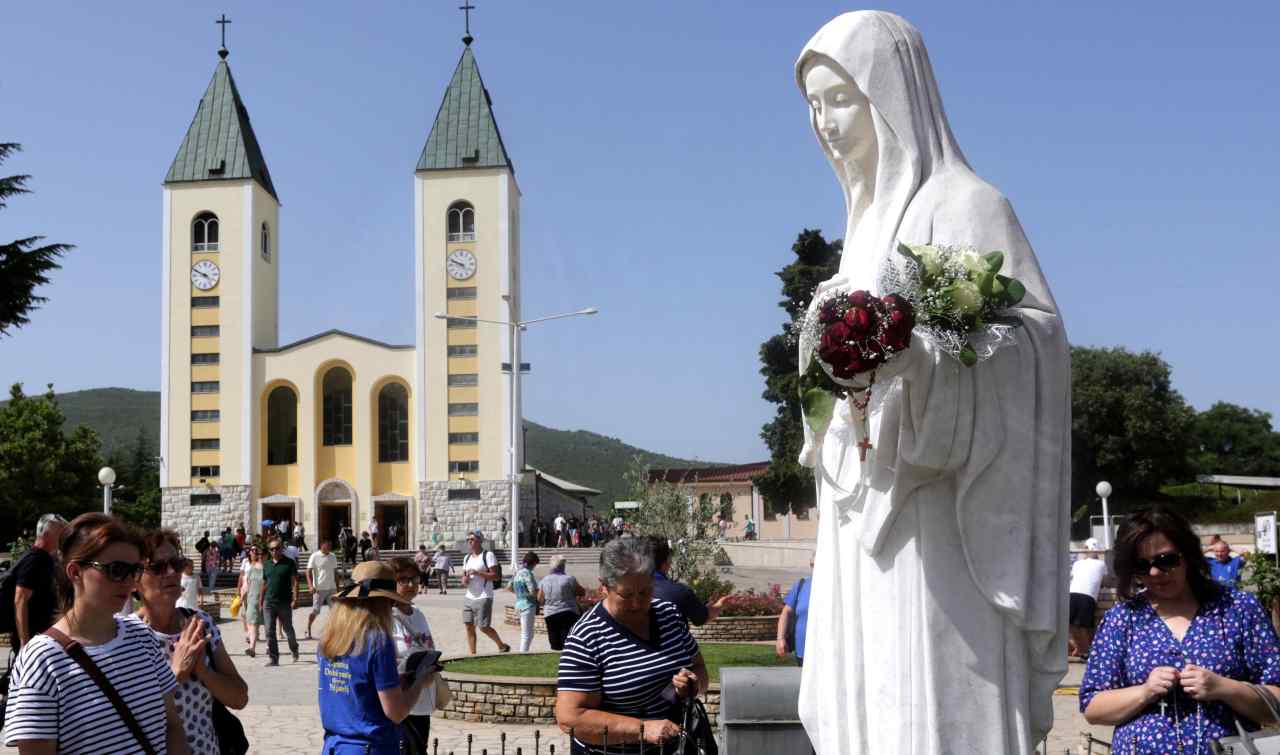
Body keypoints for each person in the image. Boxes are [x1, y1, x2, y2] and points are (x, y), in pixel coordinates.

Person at [793, 13, 1071, 753]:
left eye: (840, 99)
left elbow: (1035, 342)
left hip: (943, 513)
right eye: (813, 105)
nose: (824, 122)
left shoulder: (969, 206)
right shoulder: (859, 231)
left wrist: (923, 362)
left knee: (933, 696)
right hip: (862, 507)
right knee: (870, 698)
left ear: (891, 95)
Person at [1081, 506, 1280, 752]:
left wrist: (1224, 688)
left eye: (1166, 560)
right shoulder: (1122, 619)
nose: (1155, 573)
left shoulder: (1238, 608)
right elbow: (1093, 707)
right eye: (1141, 565)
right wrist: (1145, 691)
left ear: (1187, 554)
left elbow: (1276, 700)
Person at [3, 513, 189, 754]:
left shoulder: (142, 636)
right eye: (116, 570)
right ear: (74, 572)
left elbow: (173, 727)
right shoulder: (41, 660)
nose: (129, 582)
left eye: (134, 570)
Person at [555, 537, 709, 753]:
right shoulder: (587, 636)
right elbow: (570, 718)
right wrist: (642, 729)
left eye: (645, 592)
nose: (637, 603)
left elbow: (699, 669)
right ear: (604, 587)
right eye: (626, 595)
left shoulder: (669, 615)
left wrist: (693, 684)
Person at [131, 528, 249, 755]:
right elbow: (125, 716)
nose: (171, 572)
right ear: (134, 579)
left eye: (176, 563)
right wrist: (176, 674)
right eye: (157, 567)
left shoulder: (199, 623)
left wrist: (203, 671)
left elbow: (240, 697)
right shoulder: (126, 635)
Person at [318, 560, 435, 755]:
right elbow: (396, 712)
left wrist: (398, 682)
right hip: (370, 746)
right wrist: (420, 682)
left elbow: (356, 687)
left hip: (335, 745)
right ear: (383, 602)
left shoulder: (329, 638)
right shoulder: (377, 640)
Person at [389, 557, 436, 753]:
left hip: (423, 700)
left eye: (415, 579)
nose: (411, 585)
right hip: (402, 702)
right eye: (404, 580)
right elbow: (384, 661)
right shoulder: (387, 617)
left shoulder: (418, 614)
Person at [6, 513, 68, 651]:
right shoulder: (35, 560)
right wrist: (24, 641)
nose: (63, 538)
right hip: (33, 638)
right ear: (46, 535)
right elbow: (20, 600)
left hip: (42, 634)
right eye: (60, 534)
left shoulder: (45, 559)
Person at [648, 537, 729, 627]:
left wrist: (704, 608)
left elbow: (701, 613)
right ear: (666, 562)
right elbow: (702, 618)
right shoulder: (679, 592)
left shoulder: (631, 589)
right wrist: (721, 604)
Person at [461, 530, 510, 654]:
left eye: (472, 539)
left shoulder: (488, 555)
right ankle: (472, 654)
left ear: (479, 540)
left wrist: (478, 573)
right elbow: (464, 577)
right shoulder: (466, 558)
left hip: (484, 596)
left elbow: (496, 576)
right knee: (468, 625)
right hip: (469, 596)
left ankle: (501, 645)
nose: (469, 542)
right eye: (468, 540)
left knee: (483, 627)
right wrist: (465, 580)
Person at [261, 538, 300, 666]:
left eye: (277, 548)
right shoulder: (266, 564)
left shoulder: (289, 563)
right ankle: (274, 658)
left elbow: (295, 582)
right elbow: (265, 583)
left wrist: (295, 598)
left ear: (282, 548)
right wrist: (260, 601)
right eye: (271, 549)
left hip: (284, 602)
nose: (274, 551)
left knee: (288, 629)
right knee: (269, 631)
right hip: (269, 602)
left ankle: (294, 648)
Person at [1068, 538, 1108, 659]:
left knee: (1069, 626)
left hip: (1072, 594)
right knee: (1083, 627)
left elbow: (1072, 577)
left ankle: (1077, 649)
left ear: (1085, 549)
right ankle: (1085, 652)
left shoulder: (1077, 563)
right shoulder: (1102, 564)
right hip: (1088, 596)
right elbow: (1106, 581)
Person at [538, 555, 585, 651]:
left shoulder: (545, 580)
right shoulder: (569, 579)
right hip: (568, 612)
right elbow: (581, 592)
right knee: (568, 641)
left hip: (550, 613)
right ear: (563, 566)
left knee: (554, 641)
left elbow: (540, 598)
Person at [775, 561, 813, 666]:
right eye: (813, 564)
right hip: (802, 653)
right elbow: (786, 612)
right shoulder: (802, 585)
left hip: (831, 653)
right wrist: (780, 638)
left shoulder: (837, 587)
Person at [307, 539, 340, 640]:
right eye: (328, 546)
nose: (330, 548)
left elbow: (335, 572)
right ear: (322, 546)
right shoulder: (314, 556)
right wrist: (310, 586)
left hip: (332, 588)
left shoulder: (333, 556)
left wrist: (338, 587)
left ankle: (334, 632)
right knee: (315, 610)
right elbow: (308, 571)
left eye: (330, 546)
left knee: (335, 611)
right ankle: (308, 629)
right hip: (319, 588)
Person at [511, 551, 540, 652]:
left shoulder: (517, 572)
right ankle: (523, 654)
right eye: (535, 565)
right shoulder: (528, 573)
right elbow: (532, 590)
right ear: (533, 563)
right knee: (527, 634)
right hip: (528, 605)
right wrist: (538, 596)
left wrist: (520, 594)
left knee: (526, 633)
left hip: (519, 604)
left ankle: (524, 652)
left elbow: (509, 587)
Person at [239, 544, 265, 657]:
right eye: (254, 552)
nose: (257, 555)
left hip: (263, 600)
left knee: (265, 625)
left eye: (259, 553)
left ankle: (265, 647)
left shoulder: (267, 569)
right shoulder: (251, 569)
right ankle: (252, 648)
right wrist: (242, 596)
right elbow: (246, 585)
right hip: (252, 599)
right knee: (253, 624)